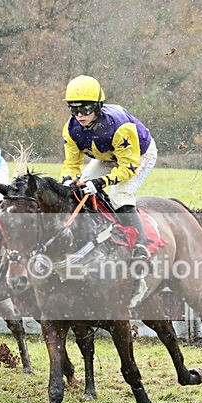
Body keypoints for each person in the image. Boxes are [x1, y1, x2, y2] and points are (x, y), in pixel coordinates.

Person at [60, 75, 158, 307]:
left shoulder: (119, 126)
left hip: (138, 156)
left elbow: (128, 168)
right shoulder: (71, 129)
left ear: (97, 106)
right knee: (80, 190)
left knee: (119, 196)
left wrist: (102, 182)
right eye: (74, 109)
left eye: (85, 108)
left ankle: (141, 246)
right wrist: (68, 179)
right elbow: (71, 164)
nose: (79, 115)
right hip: (106, 156)